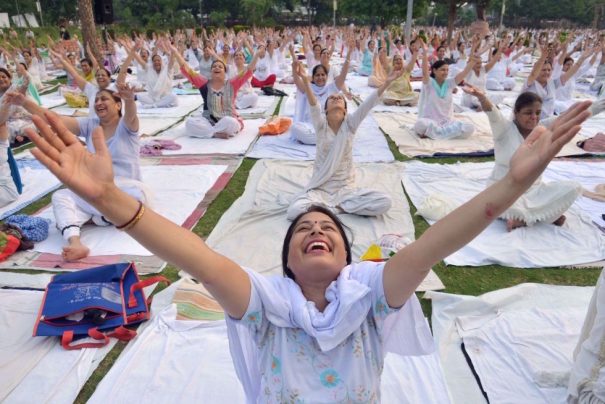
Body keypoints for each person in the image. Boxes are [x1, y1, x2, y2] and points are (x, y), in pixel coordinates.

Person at [26, 81, 591, 402]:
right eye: (304, 231)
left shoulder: (372, 294)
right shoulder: (266, 305)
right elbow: (192, 254)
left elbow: (433, 245)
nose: (317, 231)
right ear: (288, 263)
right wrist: (114, 205)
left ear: (349, 257)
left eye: (328, 232)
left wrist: (515, 183)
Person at [4, 78, 148, 261]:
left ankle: (98, 218)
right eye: (96, 100)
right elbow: (53, 120)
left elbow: (131, 116)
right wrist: (24, 102)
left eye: (104, 99)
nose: (98, 103)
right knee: (61, 196)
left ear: (118, 105)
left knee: (137, 195)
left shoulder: (127, 127)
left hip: (125, 190)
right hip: (97, 190)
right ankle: (76, 240)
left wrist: (129, 100)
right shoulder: (90, 125)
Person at [463, 84, 605, 230]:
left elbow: (571, 117)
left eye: (538, 113)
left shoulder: (543, 128)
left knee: (574, 188)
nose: (534, 117)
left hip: (535, 191)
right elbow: (492, 111)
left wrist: (599, 105)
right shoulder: (504, 129)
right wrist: (481, 97)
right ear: (516, 113)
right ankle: (544, 217)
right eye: (528, 113)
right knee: (501, 205)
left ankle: (529, 219)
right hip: (504, 191)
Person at [286, 59, 400, 220]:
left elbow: (368, 104)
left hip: (346, 190)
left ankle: (330, 209)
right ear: (325, 109)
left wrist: (387, 83)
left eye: (340, 98)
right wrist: (305, 79)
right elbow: (313, 105)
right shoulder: (320, 125)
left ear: (346, 110)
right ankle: (337, 209)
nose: (336, 98)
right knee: (294, 211)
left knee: (384, 202)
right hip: (320, 189)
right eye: (331, 98)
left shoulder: (350, 125)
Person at [173, 45, 259, 139]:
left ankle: (208, 132)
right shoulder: (204, 82)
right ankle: (214, 133)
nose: (217, 68)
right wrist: (175, 52)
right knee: (190, 122)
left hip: (227, 119)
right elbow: (187, 69)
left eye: (220, 67)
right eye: (214, 66)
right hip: (209, 121)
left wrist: (257, 54)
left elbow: (248, 70)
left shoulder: (232, 83)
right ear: (211, 71)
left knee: (231, 122)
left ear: (224, 72)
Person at [414, 41, 479, 140]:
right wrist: (425, 53)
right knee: (420, 125)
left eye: (447, 70)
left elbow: (464, 73)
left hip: (447, 122)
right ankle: (445, 133)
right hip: (431, 121)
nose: (446, 72)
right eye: (443, 70)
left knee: (470, 127)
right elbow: (424, 72)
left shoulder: (449, 83)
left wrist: (473, 62)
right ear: (435, 71)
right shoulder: (429, 83)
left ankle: (434, 134)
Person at [291, 45, 351, 145]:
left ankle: (325, 138)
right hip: (309, 127)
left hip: (327, 126)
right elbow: (297, 80)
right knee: (294, 128)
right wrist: (294, 69)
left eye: (323, 75)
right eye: (317, 75)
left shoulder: (332, 87)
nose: (320, 77)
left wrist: (348, 55)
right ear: (313, 77)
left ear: (327, 77)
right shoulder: (308, 87)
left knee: (346, 122)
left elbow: (343, 75)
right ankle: (329, 138)